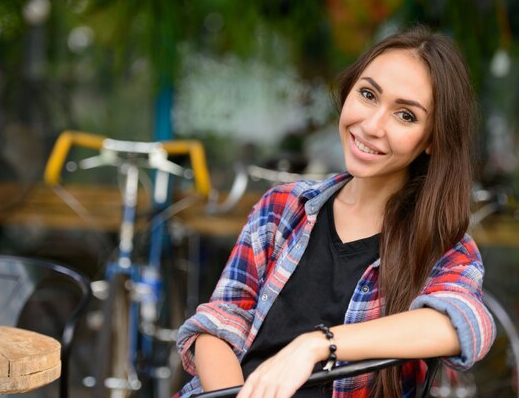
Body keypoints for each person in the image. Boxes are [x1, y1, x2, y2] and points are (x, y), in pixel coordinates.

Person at [175, 25, 495, 398]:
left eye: (405, 115)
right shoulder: (282, 208)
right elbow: (217, 326)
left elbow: (465, 325)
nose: (372, 125)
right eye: (368, 94)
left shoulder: (441, 246)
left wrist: (316, 344)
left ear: (432, 140)